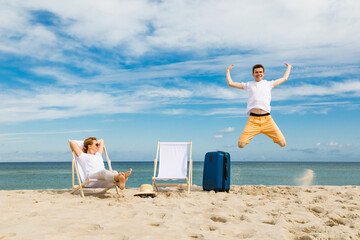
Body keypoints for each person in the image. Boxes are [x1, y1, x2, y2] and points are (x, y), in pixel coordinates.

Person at [226, 63, 293, 148]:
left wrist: (289, 67)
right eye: (256, 72)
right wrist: (228, 71)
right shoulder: (248, 85)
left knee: (283, 143)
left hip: (267, 120)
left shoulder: (269, 84)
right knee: (241, 145)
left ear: (263, 73)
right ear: (253, 74)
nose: (259, 74)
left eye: (260, 72)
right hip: (253, 121)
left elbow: (284, 78)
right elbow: (230, 83)